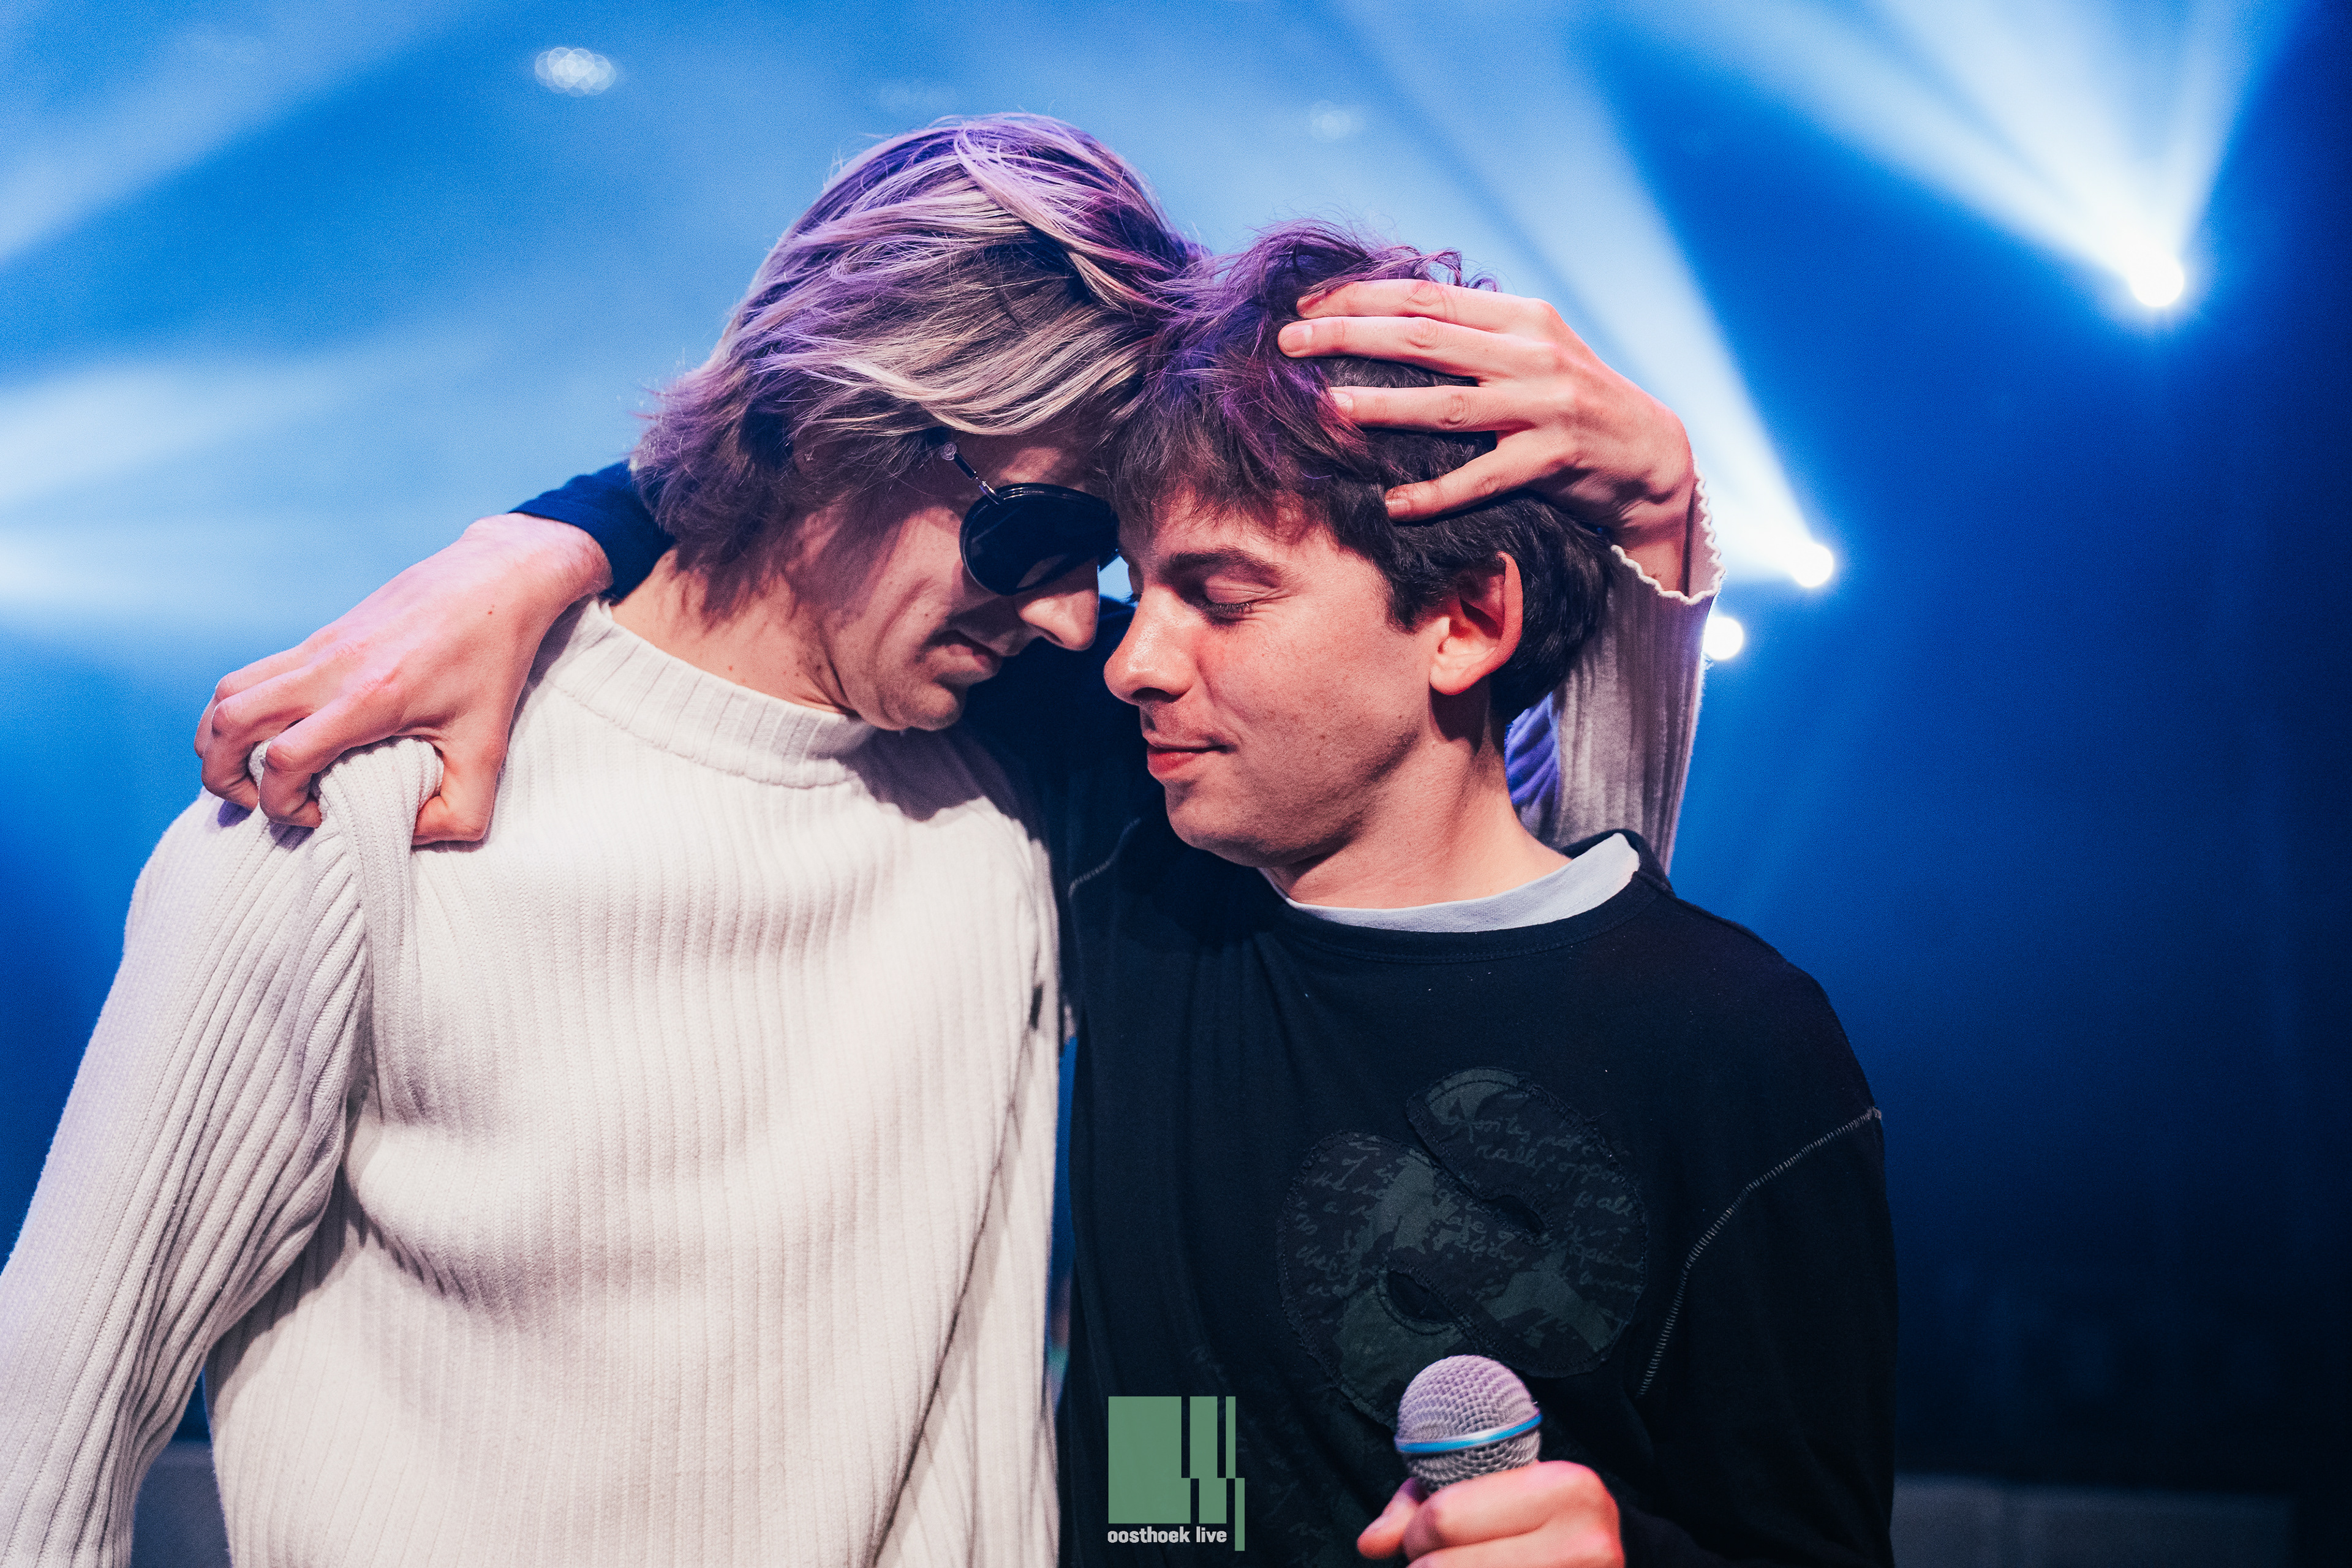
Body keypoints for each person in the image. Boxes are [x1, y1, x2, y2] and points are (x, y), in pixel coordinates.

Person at [0, 124, 1705, 1566]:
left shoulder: (1031, 790)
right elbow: (50, 1422)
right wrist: (541, 541)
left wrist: (1652, 528)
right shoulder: (364, 810)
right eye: (1038, 536)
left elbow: (1524, 950)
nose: (1080, 624)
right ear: (838, 423)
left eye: (1105, 560)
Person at [999, 226, 1895, 1566]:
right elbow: (811, 488)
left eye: (1221, 597)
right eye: (1142, 588)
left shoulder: (1730, 1037)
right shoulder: (1154, 894)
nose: (1132, 659)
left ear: (1465, 621)